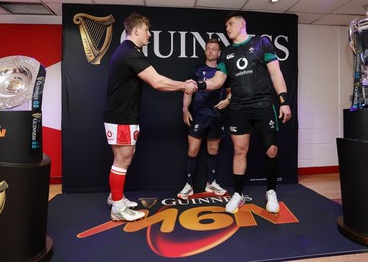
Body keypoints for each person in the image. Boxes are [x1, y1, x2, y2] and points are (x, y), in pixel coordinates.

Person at [192, 12, 292, 214]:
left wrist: (284, 101)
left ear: (242, 24)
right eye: (225, 25)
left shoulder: (262, 43)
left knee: (271, 149)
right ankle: (238, 195)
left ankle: (271, 191)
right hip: (238, 108)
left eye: (230, 23)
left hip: (263, 105)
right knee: (239, 151)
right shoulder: (226, 53)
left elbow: (276, 73)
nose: (227, 27)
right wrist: (198, 85)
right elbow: (217, 81)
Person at [103, 12, 197, 222]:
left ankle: (115, 197)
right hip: (121, 116)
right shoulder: (129, 52)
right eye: (147, 30)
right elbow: (157, 82)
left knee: (124, 157)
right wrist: (185, 85)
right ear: (136, 30)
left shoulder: (128, 51)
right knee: (123, 159)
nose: (150, 35)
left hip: (122, 115)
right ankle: (117, 208)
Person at [177, 38, 231, 200]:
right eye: (208, 48)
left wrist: (227, 101)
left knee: (213, 150)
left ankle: (211, 183)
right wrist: (185, 109)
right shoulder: (196, 70)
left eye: (214, 49)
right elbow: (188, 91)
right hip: (198, 114)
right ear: (205, 50)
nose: (210, 51)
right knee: (192, 150)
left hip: (216, 116)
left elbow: (231, 91)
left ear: (219, 52)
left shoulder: (223, 72)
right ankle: (188, 185)